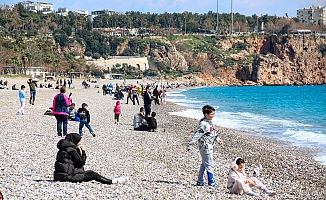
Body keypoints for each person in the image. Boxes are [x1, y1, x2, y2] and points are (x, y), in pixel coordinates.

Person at [54, 133, 129, 184]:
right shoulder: (71, 150)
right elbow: (81, 162)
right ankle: (113, 181)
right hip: (68, 176)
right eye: (79, 140)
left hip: (60, 176)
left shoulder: (63, 149)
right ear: (74, 140)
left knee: (88, 172)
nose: (80, 142)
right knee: (92, 174)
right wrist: (83, 151)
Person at [187, 105, 223, 188]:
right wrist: (190, 144)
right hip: (205, 147)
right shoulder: (203, 124)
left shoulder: (210, 122)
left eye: (214, 114)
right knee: (209, 164)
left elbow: (213, 132)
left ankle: (200, 181)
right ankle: (211, 182)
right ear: (206, 114)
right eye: (211, 114)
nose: (213, 116)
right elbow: (196, 135)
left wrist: (218, 139)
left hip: (210, 146)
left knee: (204, 164)